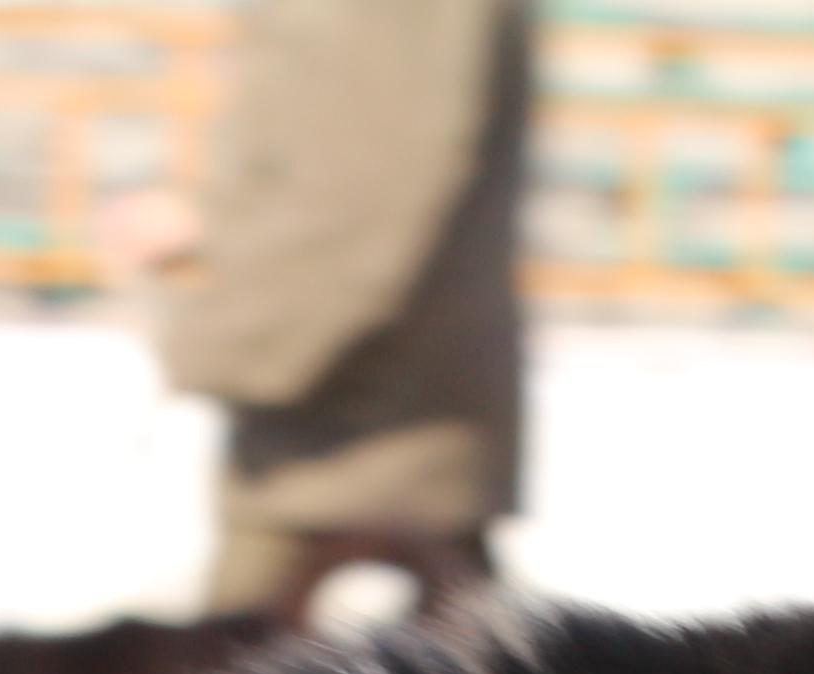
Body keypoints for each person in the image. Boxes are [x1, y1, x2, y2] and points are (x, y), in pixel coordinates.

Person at [133, 0, 534, 623]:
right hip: (360, 414)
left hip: (353, 420)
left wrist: (223, 346)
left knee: (250, 664)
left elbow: (370, 182)